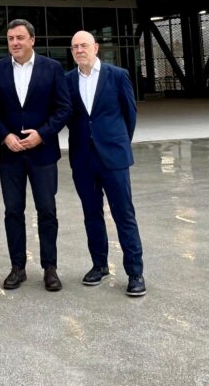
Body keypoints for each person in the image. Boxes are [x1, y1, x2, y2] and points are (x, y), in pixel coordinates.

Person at [0, 18, 72, 291]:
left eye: (20, 37)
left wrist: (42, 134)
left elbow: (64, 108)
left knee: (47, 211)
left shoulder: (52, 68)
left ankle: (50, 268)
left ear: (32, 40)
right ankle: (17, 267)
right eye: (11, 38)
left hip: (42, 153)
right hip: (10, 153)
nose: (15, 42)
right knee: (13, 211)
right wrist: (5, 136)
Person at [66, 31, 146, 297]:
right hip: (83, 159)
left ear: (96, 47)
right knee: (91, 214)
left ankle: (135, 272)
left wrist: (117, 142)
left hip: (113, 158)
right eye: (75, 47)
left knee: (124, 215)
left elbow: (129, 114)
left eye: (84, 45)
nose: (79, 50)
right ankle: (99, 265)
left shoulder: (117, 75)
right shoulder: (68, 80)